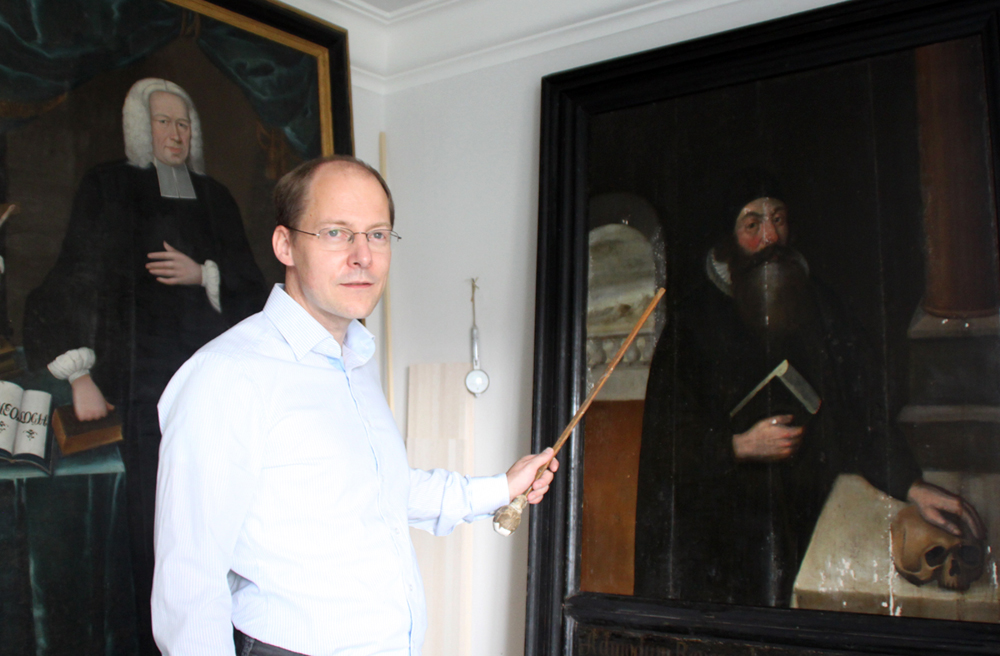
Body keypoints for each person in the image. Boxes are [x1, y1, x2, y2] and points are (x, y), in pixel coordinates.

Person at [151, 155, 558, 656]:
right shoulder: (227, 375)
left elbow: (383, 490)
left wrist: (500, 487)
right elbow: (188, 583)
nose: (362, 256)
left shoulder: (354, 362)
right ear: (286, 245)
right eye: (336, 233)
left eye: (378, 235)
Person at [633, 173, 982, 607]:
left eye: (778, 219)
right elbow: (666, 445)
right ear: (728, 238)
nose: (771, 237)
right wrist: (738, 446)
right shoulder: (693, 325)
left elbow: (861, 413)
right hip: (723, 541)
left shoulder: (821, 305)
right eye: (752, 224)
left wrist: (910, 485)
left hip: (809, 517)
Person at [24, 78, 267, 653]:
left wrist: (203, 273)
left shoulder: (217, 199)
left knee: (225, 523)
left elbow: (254, 290)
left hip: (216, 389)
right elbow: (72, 278)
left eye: (183, 123)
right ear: (141, 127)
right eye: (163, 122)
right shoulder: (109, 187)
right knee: (158, 532)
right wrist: (78, 372)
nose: (175, 134)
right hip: (141, 389)